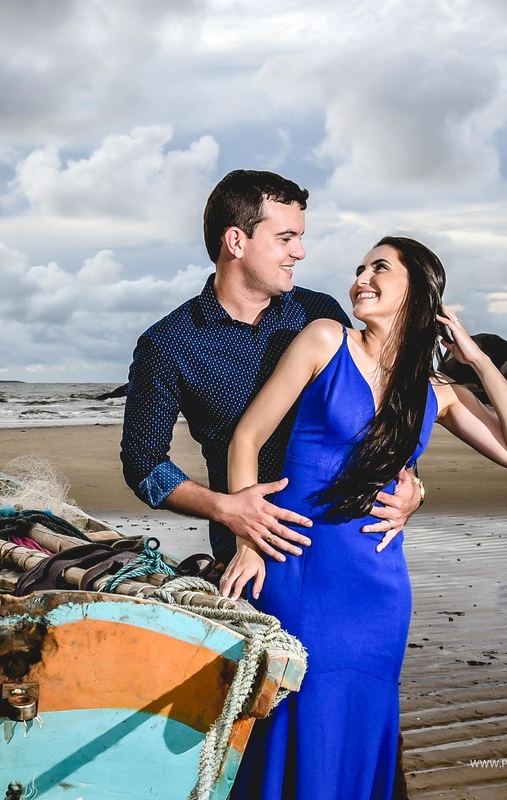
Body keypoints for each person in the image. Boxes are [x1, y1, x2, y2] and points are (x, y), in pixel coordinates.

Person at [220, 236, 507, 799]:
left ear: (417, 292)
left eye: (380, 268)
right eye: (360, 268)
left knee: (361, 722)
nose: (362, 279)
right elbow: (246, 438)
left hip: (378, 586)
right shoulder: (326, 339)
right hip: (297, 563)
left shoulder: (437, 390)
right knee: (296, 714)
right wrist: (246, 541)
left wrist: (477, 359)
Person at [120, 170, 423, 568]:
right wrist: (225, 508)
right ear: (236, 241)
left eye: (300, 237)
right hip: (254, 557)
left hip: (351, 544)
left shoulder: (319, 313)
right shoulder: (168, 343)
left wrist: (412, 482)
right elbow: (143, 464)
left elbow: (377, 405)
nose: (300, 252)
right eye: (285, 238)